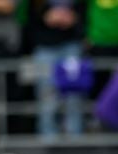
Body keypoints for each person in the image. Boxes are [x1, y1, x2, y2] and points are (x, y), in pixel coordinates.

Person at [29, 0, 86, 137]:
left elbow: (86, 10)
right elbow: (27, 13)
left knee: (74, 95)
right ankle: (47, 139)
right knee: (46, 96)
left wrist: (74, 17)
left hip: (72, 44)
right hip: (44, 45)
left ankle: (75, 138)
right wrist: (45, 15)